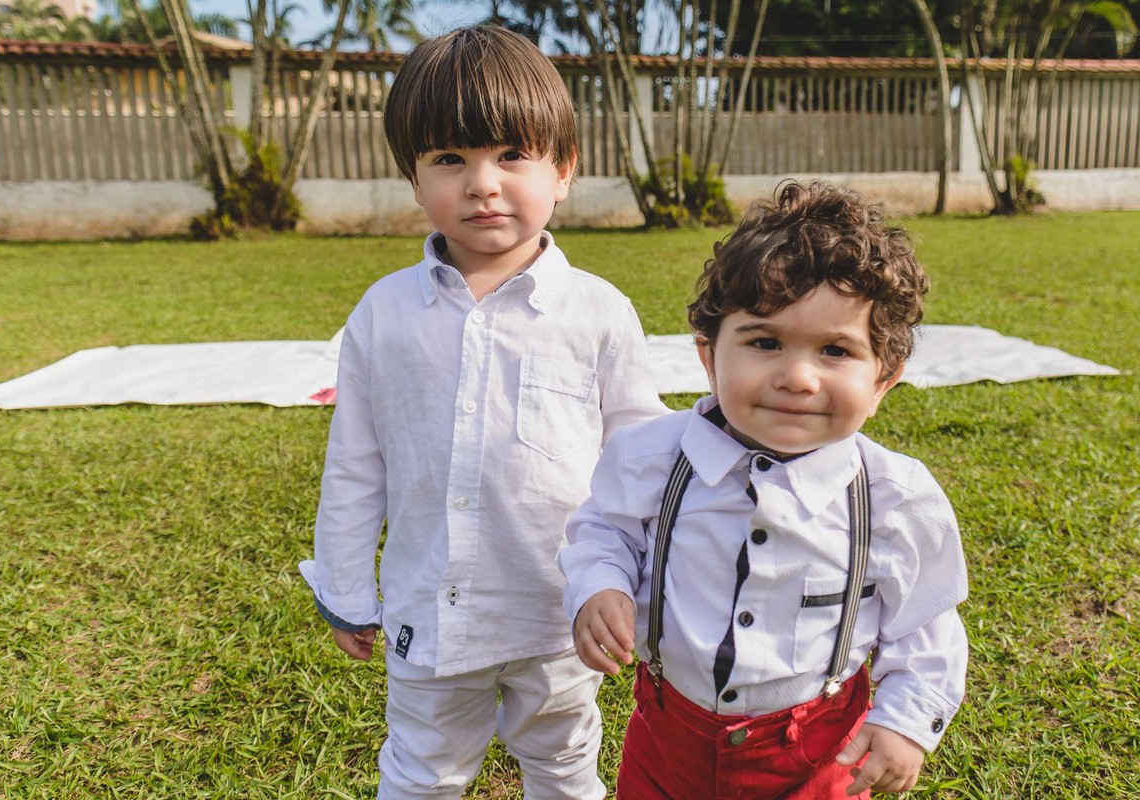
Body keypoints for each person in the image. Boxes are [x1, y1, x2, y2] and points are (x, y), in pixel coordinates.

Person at [298, 25, 668, 800]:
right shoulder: (384, 314)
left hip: (561, 616)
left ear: (563, 169)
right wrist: (344, 587)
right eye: (449, 160)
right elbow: (356, 460)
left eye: (510, 156)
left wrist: (635, 585)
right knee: (421, 774)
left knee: (565, 768)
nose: (482, 184)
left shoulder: (597, 311)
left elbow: (641, 455)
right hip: (431, 613)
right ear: (413, 178)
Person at [560, 181, 968, 799]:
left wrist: (907, 723)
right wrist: (601, 584)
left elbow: (926, 624)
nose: (797, 377)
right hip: (669, 743)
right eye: (764, 342)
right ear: (709, 357)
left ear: (884, 379)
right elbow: (602, 530)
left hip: (818, 754)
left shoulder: (893, 497)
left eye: (836, 350)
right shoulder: (650, 457)